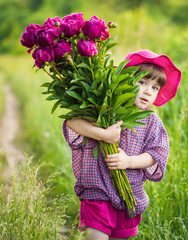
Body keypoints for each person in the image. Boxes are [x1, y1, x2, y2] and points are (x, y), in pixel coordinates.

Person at [62, 50, 181, 240]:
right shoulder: (105, 106)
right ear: (125, 81)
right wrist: (104, 134)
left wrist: (129, 161)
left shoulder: (151, 120)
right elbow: (72, 122)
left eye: (155, 87)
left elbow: (156, 153)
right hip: (97, 191)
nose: (148, 91)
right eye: (142, 82)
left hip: (129, 196)